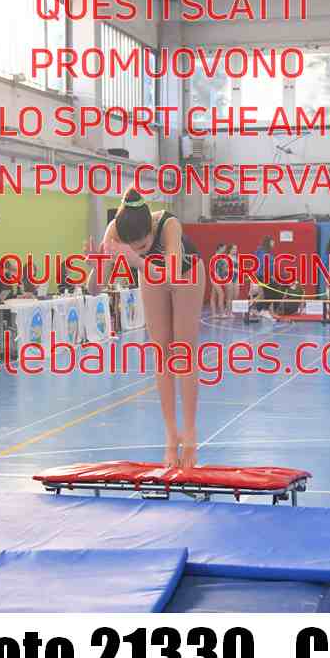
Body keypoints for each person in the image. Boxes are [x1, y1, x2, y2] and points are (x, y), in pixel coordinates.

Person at [86, 187, 205, 468]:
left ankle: (189, 434)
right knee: (161, 353)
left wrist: (137, 259)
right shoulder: (114, 232)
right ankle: (171, 435)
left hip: (185, 271)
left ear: (151, 229)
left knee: (183, 352)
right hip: (151, 274)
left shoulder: (168, 224)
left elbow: (173, 276)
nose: (140, 249)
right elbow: (95, 290)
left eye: (143, 244)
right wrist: (95, 267)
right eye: (134, 246)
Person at [210, 243, 227, 318]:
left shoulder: (221, 257)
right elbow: (213, 270)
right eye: (224, 248)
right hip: (215, 278)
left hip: (218, 278)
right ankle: (221, 313)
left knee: (213, 296)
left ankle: (213, 314)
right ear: (220, 248)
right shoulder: (215, 257)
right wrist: (218, 278)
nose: (225, 250)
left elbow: (222, 269)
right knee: (221, 294)